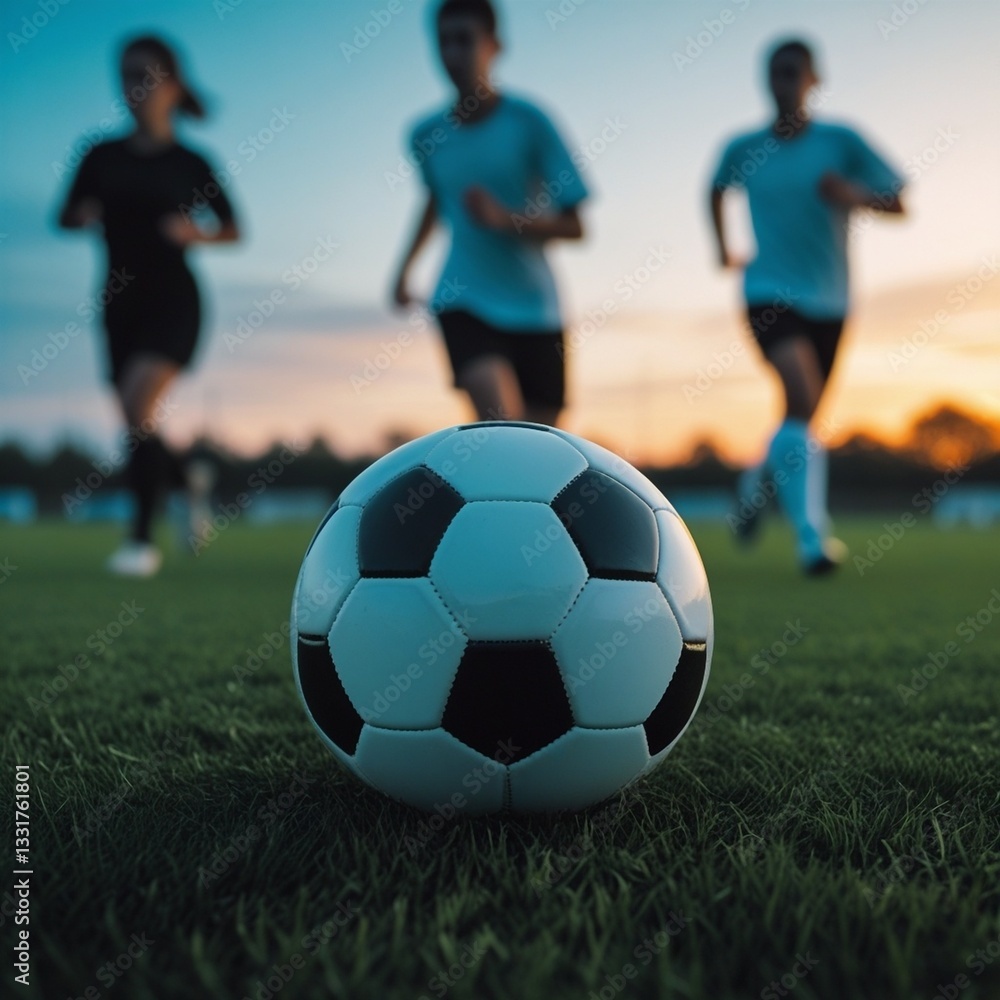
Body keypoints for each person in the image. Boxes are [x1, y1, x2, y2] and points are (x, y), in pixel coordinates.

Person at [709, 38, 904, 574]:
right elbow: (715, 187)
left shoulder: (842, 142)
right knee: (801, 394)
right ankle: (812, 541)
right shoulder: (744, 146)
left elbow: (898, 200)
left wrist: (852, 194)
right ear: (765, 81)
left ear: (814, 80)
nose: (785, 82)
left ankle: (754, 489)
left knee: (801, 416)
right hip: (767, 292)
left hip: (832, 299)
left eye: (795, 72)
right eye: (776, 73)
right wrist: (721, 246)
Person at [58, 35, 240, 577]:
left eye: (146, 75)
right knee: (138, 422)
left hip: (174, 301)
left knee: (139, 404)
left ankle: (140, 541)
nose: (135, 87)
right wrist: (82, 214)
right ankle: (186, 480)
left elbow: (233, 228)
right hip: (118, 302)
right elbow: (63, 215)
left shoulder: (191, 162)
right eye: (126, 75)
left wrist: (194, 232)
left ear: (172, 85)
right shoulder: (99, 154)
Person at [391, 0, 588, 427]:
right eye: (443, 42)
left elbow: (576, 226)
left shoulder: (530, 123)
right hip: (463, 299)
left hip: (537, 308)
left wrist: (507, 219)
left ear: (495, 45)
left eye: (465, 40)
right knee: (501, 430)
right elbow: (434, 200)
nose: (453, 54)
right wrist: (404, 269)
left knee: (542, 451)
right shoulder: (425, 135)